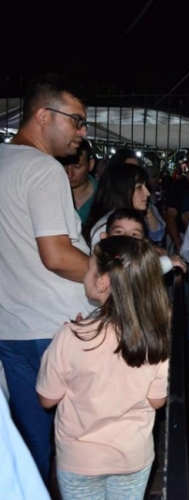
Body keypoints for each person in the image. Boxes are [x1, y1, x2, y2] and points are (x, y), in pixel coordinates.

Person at [0, 73, 93, 481]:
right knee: (83, 442)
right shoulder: (43, 169)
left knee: (29, 443)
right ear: (43, 116)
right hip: (56, 329)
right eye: (76, 120)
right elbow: (56, 256)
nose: (82, 131)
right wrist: (112, 276)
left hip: (12, 327)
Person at [36, 236, 170, 499]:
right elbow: (157, 400)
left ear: (103, 281)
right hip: (132, 456)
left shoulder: (70, 337)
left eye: (89, 268)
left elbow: (47, 399)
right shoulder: (156, 337)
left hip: (80, 460)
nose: (86, 274)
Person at [83, 161, 155, 248]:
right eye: (139, 187)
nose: (147, 193)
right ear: (121, 190)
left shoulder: (121, 219)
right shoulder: (110, 227)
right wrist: (165, 261)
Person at [60, 138, 96, 223]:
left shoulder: (104, 196)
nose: (69, 174)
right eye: (64, 166)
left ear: (91, 165)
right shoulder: (49, 193)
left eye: (77, 166)